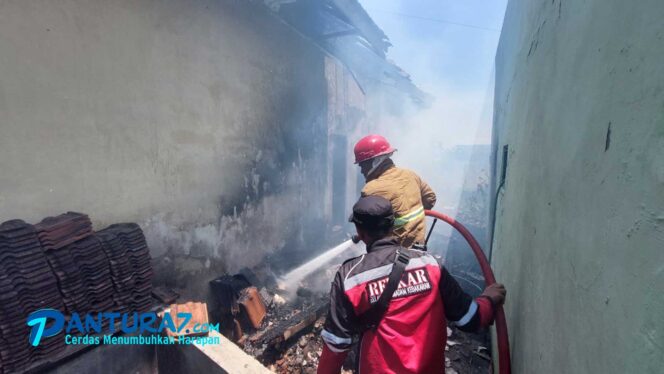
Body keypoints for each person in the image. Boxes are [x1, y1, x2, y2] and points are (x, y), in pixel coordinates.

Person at [317, 195, 506, 374]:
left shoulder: (350, 277)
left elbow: (336, 344)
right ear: (392, 225)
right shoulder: (430, 264)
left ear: (360, 232)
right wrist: (488, 299)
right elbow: (469, 318)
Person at [354, 134, 436, 248]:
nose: (362, 171)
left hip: (392, 254)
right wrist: (412, 222)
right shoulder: (410, 174)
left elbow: (368, 230)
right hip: (418, 248)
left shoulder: (371, 189)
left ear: (376, 161)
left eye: (363, 165)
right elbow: (430, 198)